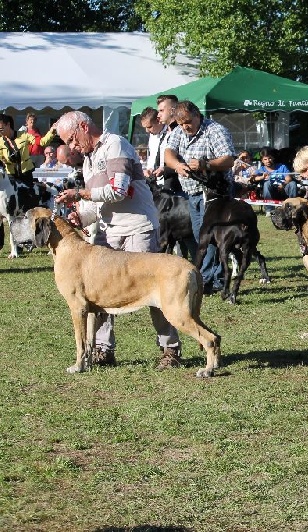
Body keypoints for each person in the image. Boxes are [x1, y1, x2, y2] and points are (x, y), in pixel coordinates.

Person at [52, 111, 183, 370]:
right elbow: (97, 204)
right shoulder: (88, 161)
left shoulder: (116, 145)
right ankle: (103, 349)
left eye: (72, 139)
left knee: (155, 291)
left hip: (137, 228)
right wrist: (81, 216)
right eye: (68, 143)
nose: (72, 147)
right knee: (99, 292)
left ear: (83, 127)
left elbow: (118, 190)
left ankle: (170, 348)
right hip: (107, 232)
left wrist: (79, 193)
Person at [164, 100, 235, 295]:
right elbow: (168, 154)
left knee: (209, 234)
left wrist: (205, 164)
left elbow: (229, 159)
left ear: (197, 115)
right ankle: (215, 277)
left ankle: (207, 279)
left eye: (188, 122)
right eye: (181, 124)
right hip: (193, 193)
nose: (185, 127)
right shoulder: (178, 132)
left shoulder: (215, 131)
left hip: (214, 192)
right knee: (199, 234)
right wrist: (177, 165)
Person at [0, 113, 58, 183]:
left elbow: (42, 142)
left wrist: (52, 131)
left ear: (8, 125)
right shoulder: (0, 141)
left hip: (27, 173)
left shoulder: (24, 135)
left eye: (1, 129)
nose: (0, 132)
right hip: (11, 175)